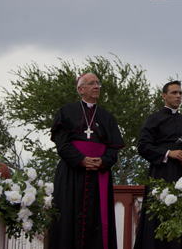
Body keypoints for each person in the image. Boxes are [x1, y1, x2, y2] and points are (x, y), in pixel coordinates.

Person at [49, 73, 125, 249]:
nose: (96, 86)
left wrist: (103, 161)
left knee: (98, 219)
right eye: (91, 83)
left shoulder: (107, 117)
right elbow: (62, 144)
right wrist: (80, 159)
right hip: (71, 173)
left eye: (98, 83)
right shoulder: (65, 112)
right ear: (80, 89)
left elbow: (113, 148)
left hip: (99, 174)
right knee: (68, 216)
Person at [134, 80, 182, 249]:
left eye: (180, 93)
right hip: (161, 175)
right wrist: (168, 153)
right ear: (164, 96)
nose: (178, 96)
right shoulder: (154, 119)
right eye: (174, 93)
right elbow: (142, 146)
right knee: (160, 220)